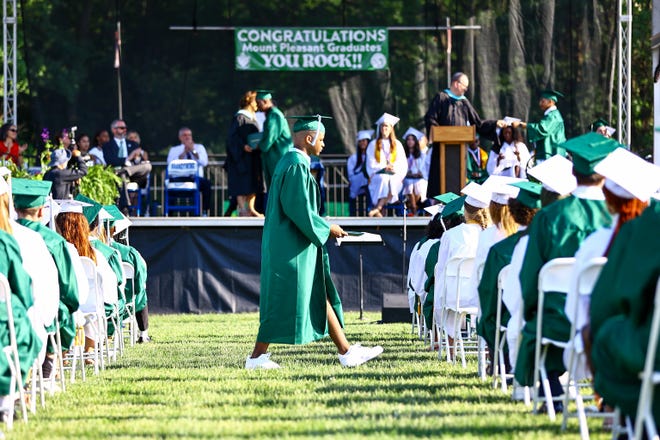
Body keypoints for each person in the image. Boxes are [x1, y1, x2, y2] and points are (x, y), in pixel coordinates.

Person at [246, 115, 383, 370]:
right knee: (280, 300)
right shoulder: (296, 165)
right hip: (290, 246)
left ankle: (346, 351)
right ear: (309, 139)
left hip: (293, 242)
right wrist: (327, 227)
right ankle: (255, 358)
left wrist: (323, 225)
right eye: (321, 140)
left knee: (317, 294)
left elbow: (302, 208)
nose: (323, 145)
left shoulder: (290, 162)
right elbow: (299, 210)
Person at [514, 133, 617, 413]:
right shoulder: (619, 217)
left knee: (540, 323)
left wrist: (531, 312)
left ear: (574, 172)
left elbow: (530, 280)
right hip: (609, 320)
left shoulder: (549, 217)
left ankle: (553, 388)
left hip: (557, 320)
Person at [565, 149, 659, 383]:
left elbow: (580, 309)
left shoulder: (598, 244)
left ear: (608, 199)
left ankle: (609, 400)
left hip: (634, 346)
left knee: (593, 333)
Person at [588, 200, 659, 422]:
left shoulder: (646, 227)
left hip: (652, 348)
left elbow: (610, 303)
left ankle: (629, 417)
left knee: (606, 337)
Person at [12, 178, 81, 377]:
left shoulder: (6, 236)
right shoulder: (54, 241)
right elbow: (69, 290)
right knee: (63, 310)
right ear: (42, 211)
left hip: (9, 311)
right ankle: (51, 356)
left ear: (14, 208)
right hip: (43, 314)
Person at [477, 181, 542, 374]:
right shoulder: (545, 243)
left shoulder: (492, 244)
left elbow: (485, 289)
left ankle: (498, 360)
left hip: (504, 313)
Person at [424, 72, 505, 198]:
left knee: (458, 179)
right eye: (464, 86)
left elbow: (477, 123)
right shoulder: (441, 98)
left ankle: (456, 209)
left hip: (459, 150)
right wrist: (438, 132)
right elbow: (430, 118)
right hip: (442, 149)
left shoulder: (464, 102)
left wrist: (494, 124)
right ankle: (441, 208)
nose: (466, 89)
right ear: (456, 83)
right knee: (441, 180)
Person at [0, 176, 42, 415]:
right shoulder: (5, 242)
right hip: (3, 323)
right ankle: (7, 398)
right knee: (28, 336)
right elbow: (23, 292)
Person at [433, 183, 492, 349]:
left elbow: (442, 268)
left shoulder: (450, 235)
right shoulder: (490, 235)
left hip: (455, 297)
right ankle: (488, 349)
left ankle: (452, 348)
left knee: (446, 285)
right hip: (481, 295)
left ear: (465, 211)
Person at [104, 204, 152, 343]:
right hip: (125, 302)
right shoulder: (129, 253)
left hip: (92, 304)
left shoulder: (86, 250)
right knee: (141, 293)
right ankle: (143, 334)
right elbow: (140, 281)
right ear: (114, 229)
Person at [225, 90, 264, 217]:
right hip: (241, 157)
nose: (257, 104)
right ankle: (242, 209)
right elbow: (232, 138)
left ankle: (251, 208)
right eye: (255, 101)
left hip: (252, 156)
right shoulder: (239, 117)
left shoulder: (253, 117)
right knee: (241, 183)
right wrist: (243, 146)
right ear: (249, 102)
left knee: (253, 183)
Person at [101, 119, 152, 211]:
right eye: (121, 128)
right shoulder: (107, 146)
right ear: (114, 130)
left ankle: (124, 171)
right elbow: (111, 161)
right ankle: (125, 208)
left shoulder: (133, 144)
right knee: (122, 176)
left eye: (125, 128)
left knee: (148, 166)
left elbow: (138, 163)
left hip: (133, 174)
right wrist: (128, 158)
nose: (124, 130)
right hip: (116, 174)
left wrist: (137, 158)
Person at [365, 112, 408, 217]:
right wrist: (384, 167)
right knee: (384, 178)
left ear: (391, 128)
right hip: (378, 175)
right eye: (382, 126)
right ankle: (379, 209)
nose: (384, 128)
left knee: (391, 180)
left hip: (394, 174)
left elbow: (402, 163)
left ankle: (378, 208)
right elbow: (370, 162)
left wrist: (393, 168)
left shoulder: (397, 144)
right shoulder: (373, 144)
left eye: (386, 126)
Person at [167, 127, 212, 216]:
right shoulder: (174, 149)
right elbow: (170, 164)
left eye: (189, 135)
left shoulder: (199, 147)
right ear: (180, 137)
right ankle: (169, 214)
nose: (187, 137)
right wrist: (183, 153)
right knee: (169, 185)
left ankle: (204, 212)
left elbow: (204, 162)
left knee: (207, 184)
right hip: (179, 178)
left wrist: (193, 151)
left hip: (195, 178)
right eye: (184, 135)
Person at [513, 89, 566, 162]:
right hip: (548, 152)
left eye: (543, 101)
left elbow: (542, 129)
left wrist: (521, 124)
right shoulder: (550, 115)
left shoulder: (553, 116)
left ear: (550, 102)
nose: (540, 104)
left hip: (552, 152)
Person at [256, 90, 293, 190]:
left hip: (278, 156)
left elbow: (269, 138)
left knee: (279, 187)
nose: (257, 107)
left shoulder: (275, 115)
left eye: (259, 103)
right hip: (274, 157)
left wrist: (257, 146)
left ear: (266, 101)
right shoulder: (270, 115)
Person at [402, 127, 428, 215]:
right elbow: (400, 167)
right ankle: (414, 208)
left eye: (412, 139)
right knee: (409, 183)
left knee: (419, 184)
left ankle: (411, 206)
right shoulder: (402, 154)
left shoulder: (422, 155)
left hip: (419, 178)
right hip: (406, 178)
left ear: (415, 141)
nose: (410, 141)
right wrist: (407, 173)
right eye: (408, 139)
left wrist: (420, 173)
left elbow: (424, 169)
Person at [347, 129, 373, 216]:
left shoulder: (372, 157)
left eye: (364, 141)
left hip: (369, 182)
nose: (362, 143)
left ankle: (370, 213)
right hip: (357, 183)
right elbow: (351, 173)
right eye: (360, 141)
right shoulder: (353, 158)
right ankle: (353, 214)